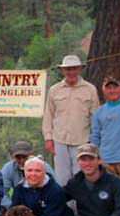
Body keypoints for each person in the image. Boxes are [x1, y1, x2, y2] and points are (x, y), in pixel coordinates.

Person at [42, 55, 99, 186]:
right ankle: (65, 206)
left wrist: (94, 141)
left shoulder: (90, 89)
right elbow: (48, 115)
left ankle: (81, 207)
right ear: (63, 71)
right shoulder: (54, 90)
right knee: (62, 178)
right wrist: (48, 138)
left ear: (79, 69)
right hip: (59, 140)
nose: (71, 72)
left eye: (74, 69)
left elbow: (95, 117)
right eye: (68, 69)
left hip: (83, 140)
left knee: (81, 176)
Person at [0, 140, 56, 209]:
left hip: (42, 203)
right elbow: (1, 192)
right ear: (13, 157)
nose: (22, 160)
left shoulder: (43, 166)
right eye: (18, 157)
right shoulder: (8, 168)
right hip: (19, 206)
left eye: (24, 157)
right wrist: (13, 209)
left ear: (31, 155)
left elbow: (56, 189)